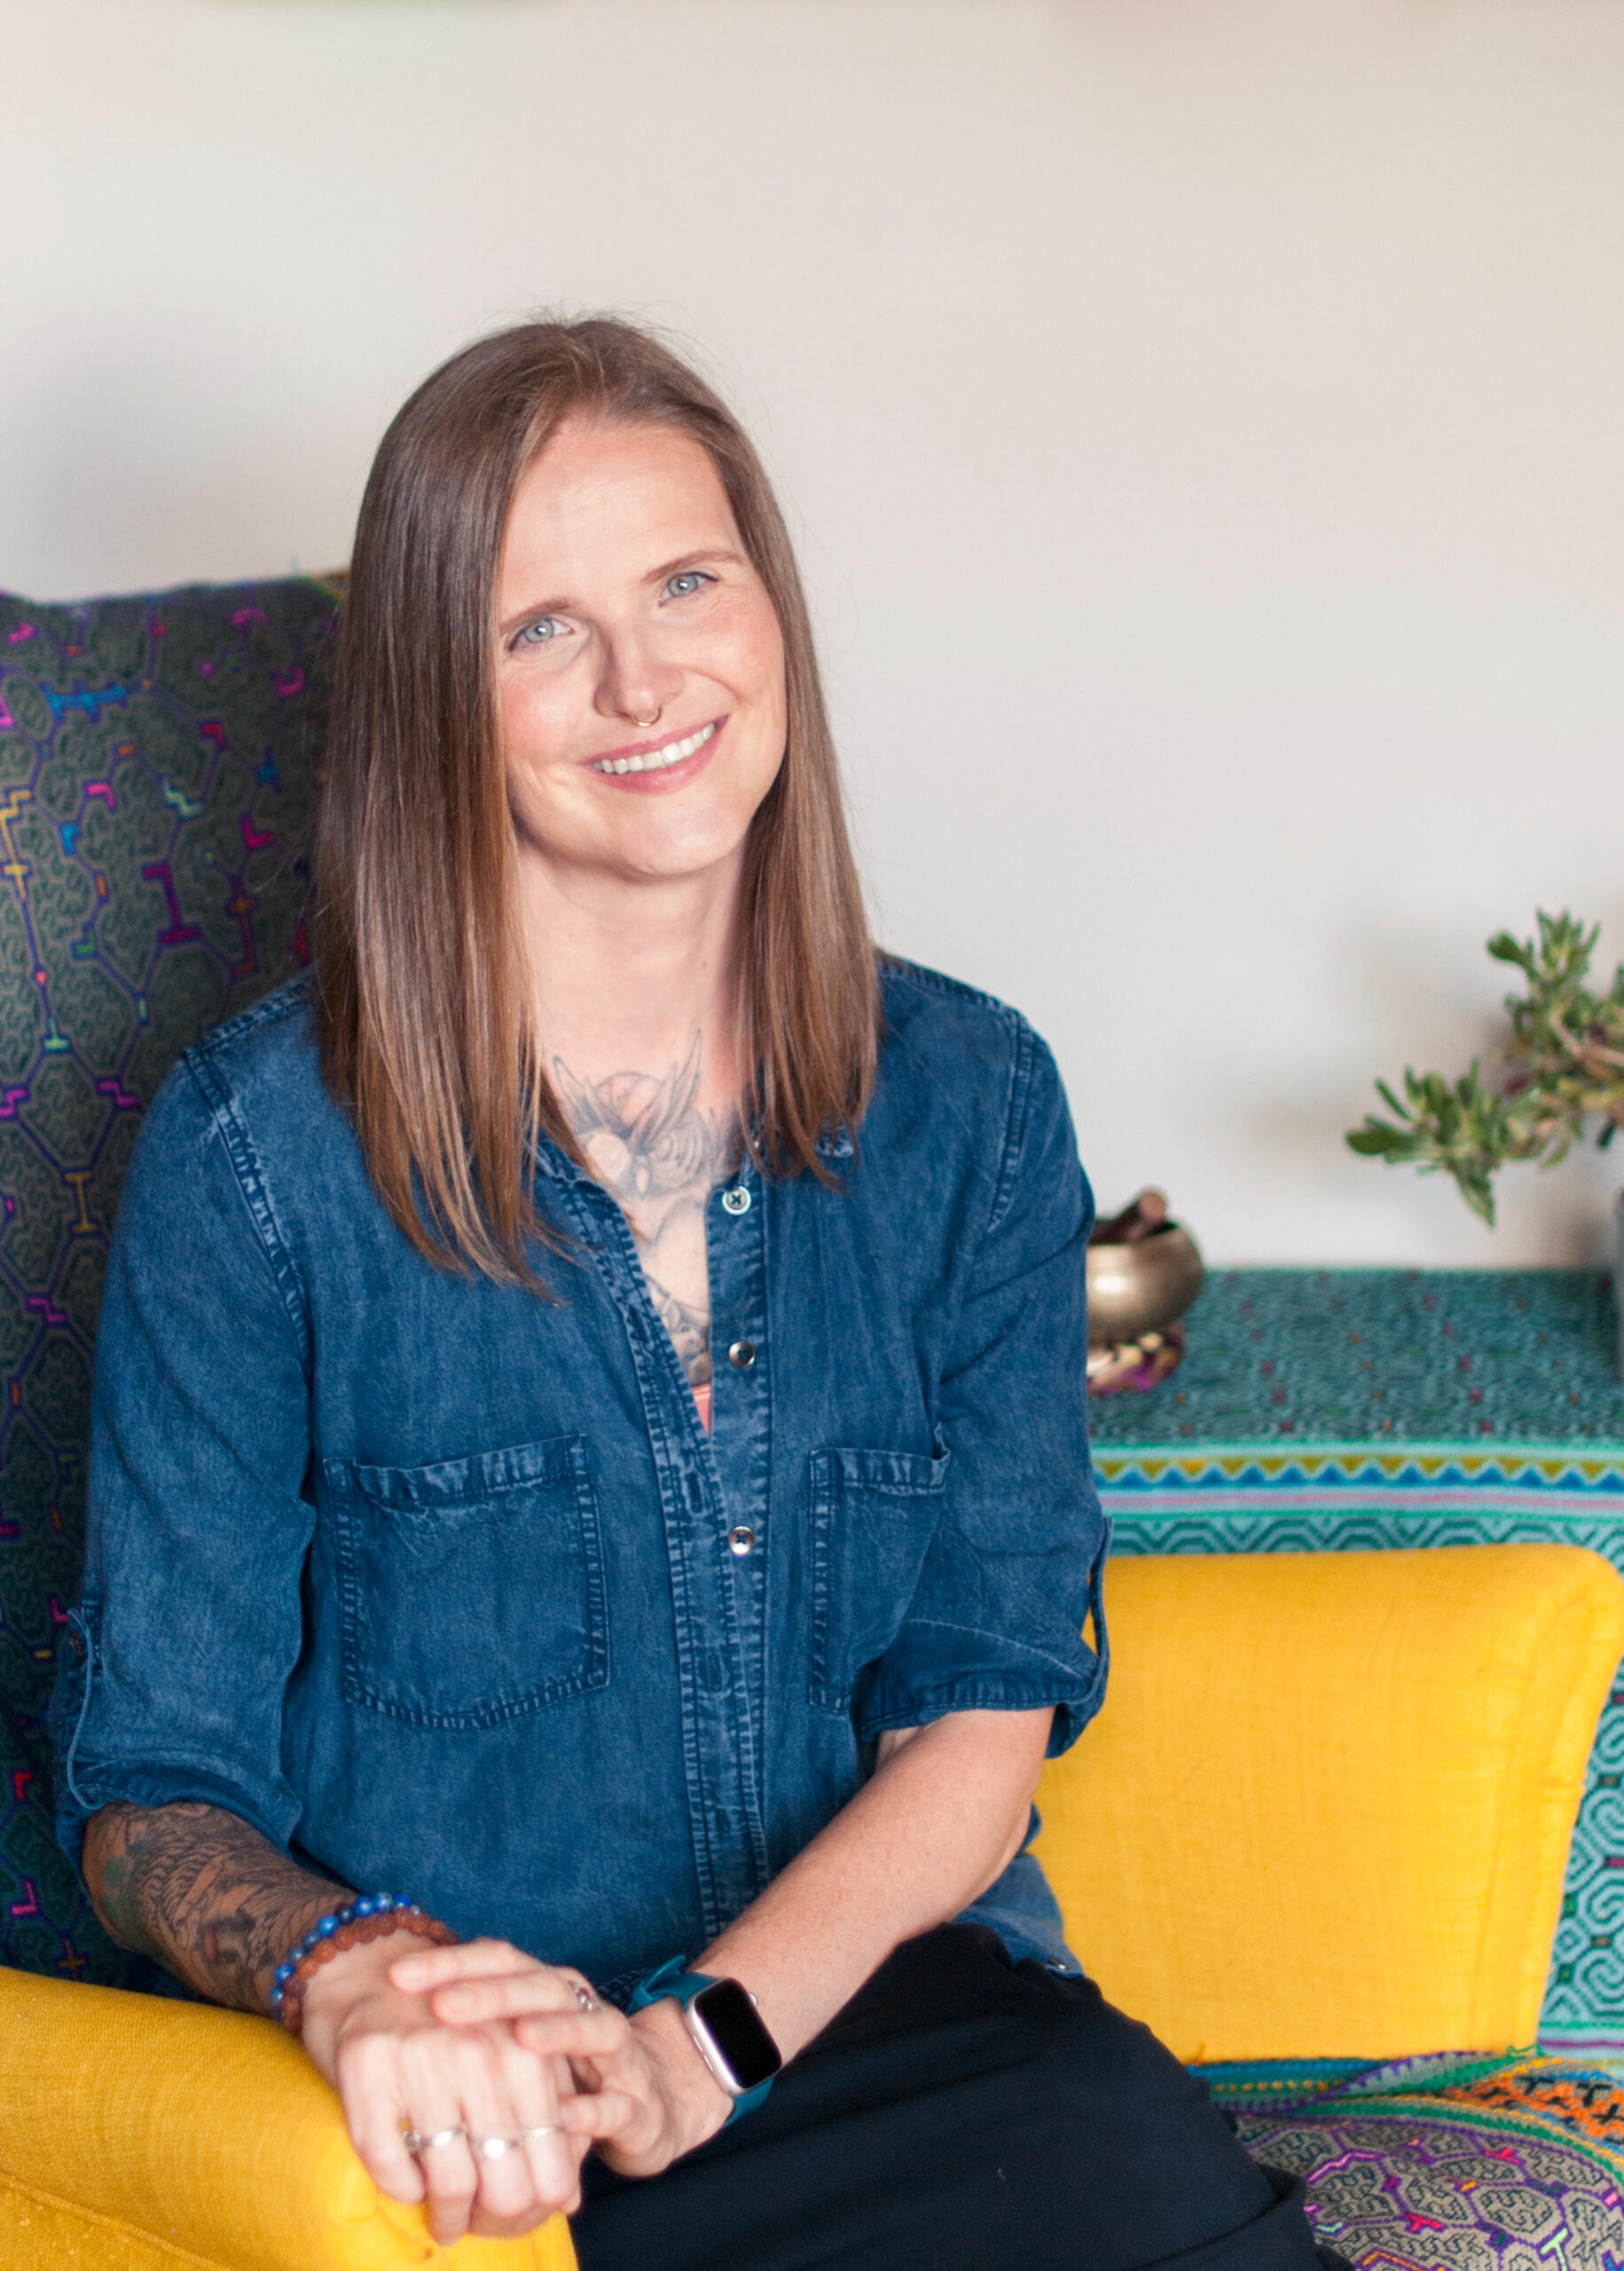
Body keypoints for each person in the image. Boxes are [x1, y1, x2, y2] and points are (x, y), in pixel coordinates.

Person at [51, 318, 1340, 2269]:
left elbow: (978, 1714)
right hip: (470, 2105)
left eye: (682, 582)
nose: (642, 680)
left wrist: (702, 2042)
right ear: (434, 700)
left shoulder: (974, 1103)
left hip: (870, 2031)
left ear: (772, 614)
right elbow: (150, 1791)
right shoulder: (253, 1155)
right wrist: (352, 1970)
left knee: (1134, 2159)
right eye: (536, 627)